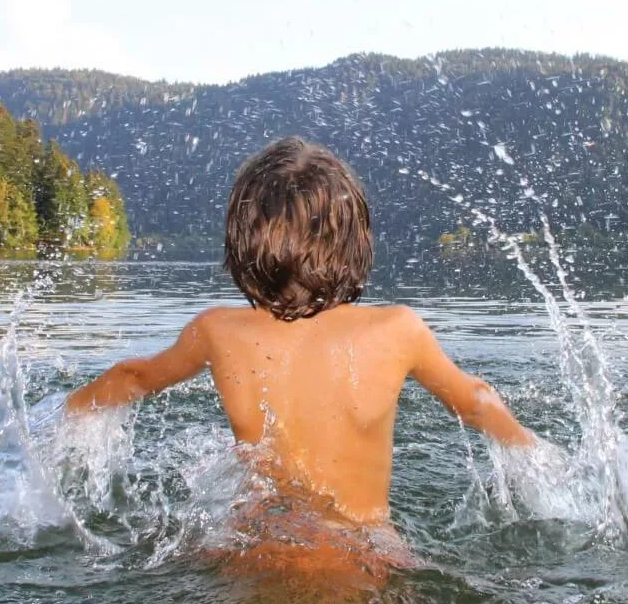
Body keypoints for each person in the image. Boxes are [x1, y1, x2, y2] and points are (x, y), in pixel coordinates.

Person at [66, 136, 534, 540]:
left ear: (241, 242)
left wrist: (63, 420)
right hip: (363, 547)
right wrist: (538, 456)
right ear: (356, 239)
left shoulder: (216, 331)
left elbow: (132, 378)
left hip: (253, 544)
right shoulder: (398, 329)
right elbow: (473, 401)